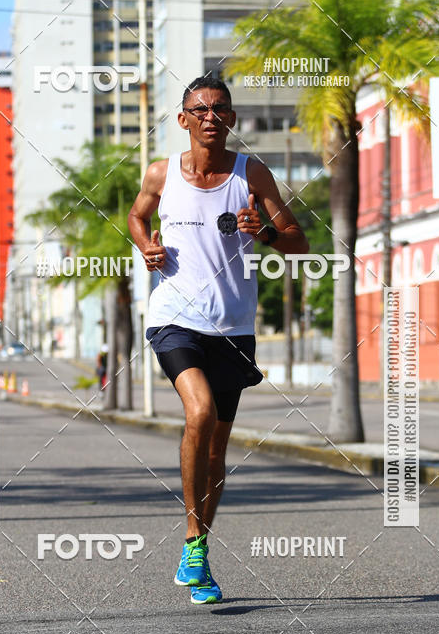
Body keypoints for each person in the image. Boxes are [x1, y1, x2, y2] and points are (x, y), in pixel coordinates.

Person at [128, 76, 309, 604]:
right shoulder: (161, 174)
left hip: (233, 328)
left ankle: (198, 554)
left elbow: (297, 242)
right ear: (183, 119)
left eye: (220, 108)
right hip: (174, 320)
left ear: (232, 119)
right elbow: (139, 218)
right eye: (199, 109)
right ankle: (190, 542)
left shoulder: (252, 174)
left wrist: (266, 233)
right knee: (199, 413)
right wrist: (147, 248)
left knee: (216, 453)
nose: (210, 116)